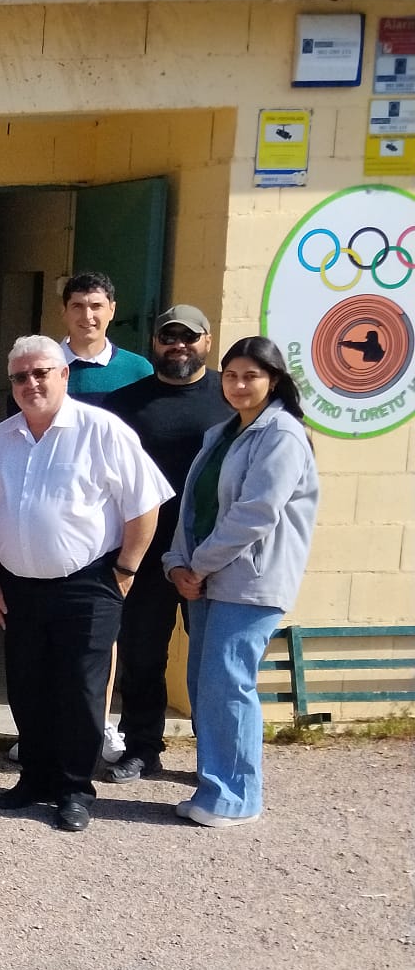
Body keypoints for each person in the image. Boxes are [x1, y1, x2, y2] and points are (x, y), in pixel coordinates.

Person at [0, 336, 170, 832]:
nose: (31, 383)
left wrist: (125, 570)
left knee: (81, 690)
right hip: (19, 584)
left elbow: (144, 504)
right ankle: (35, 778)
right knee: (27, 685)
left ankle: (75, 787)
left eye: (41, 373)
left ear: (63, 375)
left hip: (88, 582)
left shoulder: (101, 429)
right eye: (20, 376)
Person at [164, 337, 319, 829]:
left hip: (249, 583)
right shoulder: (222, 434)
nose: (238, 384)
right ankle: (217, 783)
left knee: (227, 684)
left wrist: (199, 566)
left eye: (250, 376)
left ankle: (237, 795)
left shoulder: (283, 436)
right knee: (205, 684)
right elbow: (192, 508)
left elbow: (255, 515)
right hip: (207, 578)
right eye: (230, 375)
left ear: (273, 380)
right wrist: (176, 563)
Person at [99, 303, 231, 784]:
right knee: (142, 655)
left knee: (212, 663)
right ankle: (142, 748)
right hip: (146, 553)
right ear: (155, 343)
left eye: (189, 337)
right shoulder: (126, 404)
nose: (178, 345)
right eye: (169, 337)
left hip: (215, 554)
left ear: (207, 341)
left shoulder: (231, 396)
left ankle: (213, 756)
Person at [61, 271, 153, 397]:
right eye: (77, 306)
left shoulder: (138, 370)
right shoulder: (39, 368)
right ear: (64, 311)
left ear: (112, 310)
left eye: (96, 306)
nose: (87, 316)